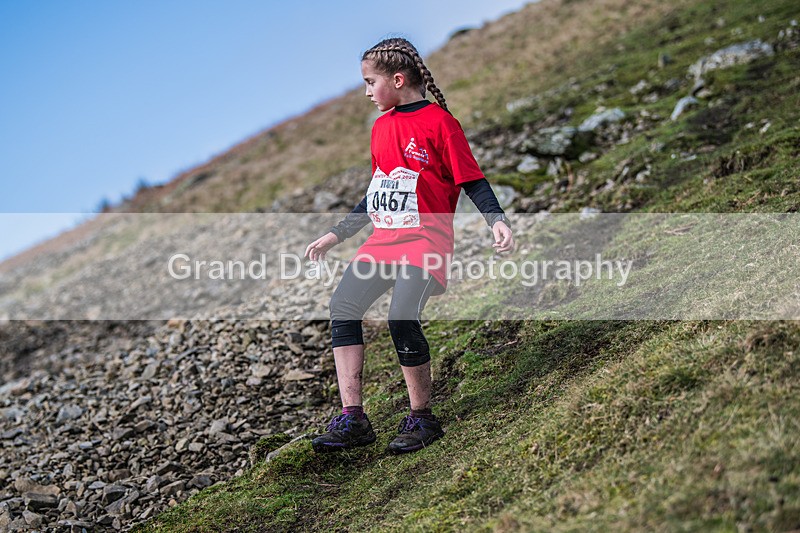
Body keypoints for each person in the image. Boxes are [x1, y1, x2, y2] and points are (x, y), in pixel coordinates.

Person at [304, 37, 514, 454]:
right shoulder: (381, 127)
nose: (366, 92)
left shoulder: (440, 123)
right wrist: (337, 234)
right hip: (383, 241)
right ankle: (353, 418)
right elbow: (377, 193)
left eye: (370, 82)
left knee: (402, 316)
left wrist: (497, 220)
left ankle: (422, 418)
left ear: (397, 80)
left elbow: (471, 179)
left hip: (426, 240)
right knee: (342, 308)